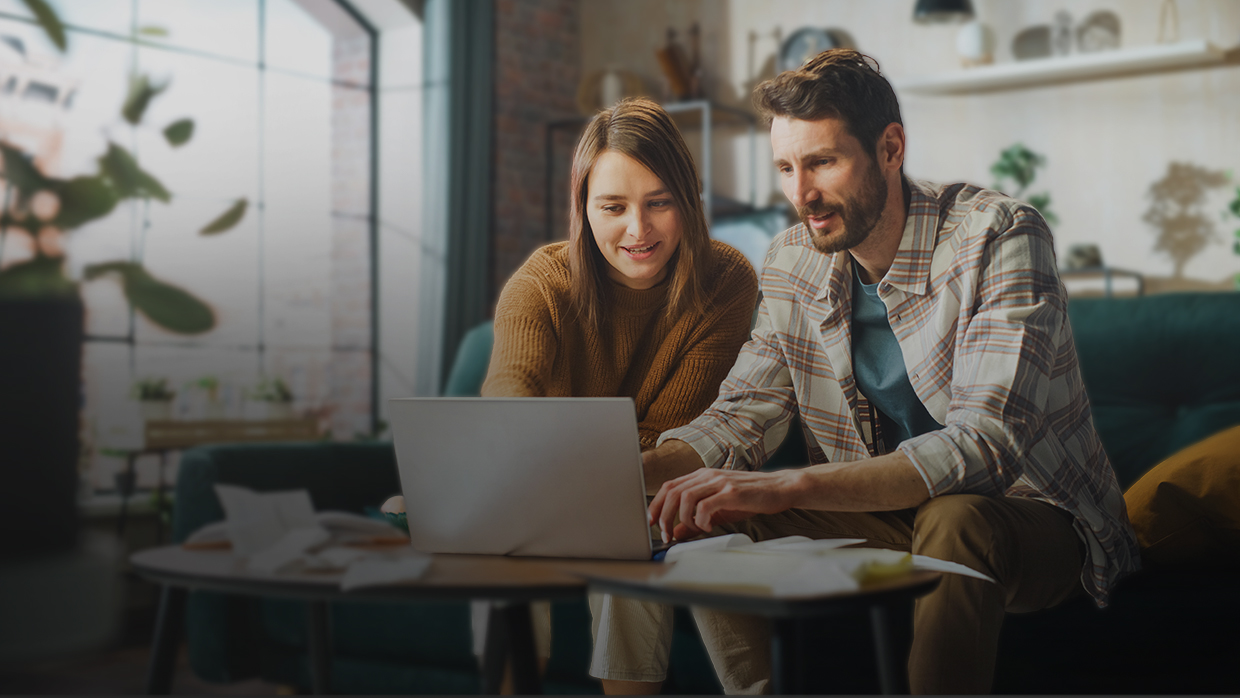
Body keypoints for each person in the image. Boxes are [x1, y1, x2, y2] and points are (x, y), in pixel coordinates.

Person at [636, 49, 1141, 694]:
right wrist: (627, 478)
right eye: (786, 168)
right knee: (707, 511)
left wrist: (789, 485)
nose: (802, 195)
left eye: (822, 162)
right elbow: (742, 415)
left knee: (957, 519)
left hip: (1033, 515)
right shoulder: (792, 261)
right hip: (886, 517)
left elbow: (985, 448)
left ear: (891, 148)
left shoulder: (999, 235)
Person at [384, 97, 759, 694]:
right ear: (582, 209)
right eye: (613, 207)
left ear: (688, 201)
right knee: (501, 541)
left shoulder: (726, 279)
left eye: (659, 203)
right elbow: (508, 404)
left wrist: (575, 470)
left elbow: (679, 433)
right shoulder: (543, 281)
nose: (638, 230)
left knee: (624, 543)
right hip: (534, 485)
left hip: (649, 485)